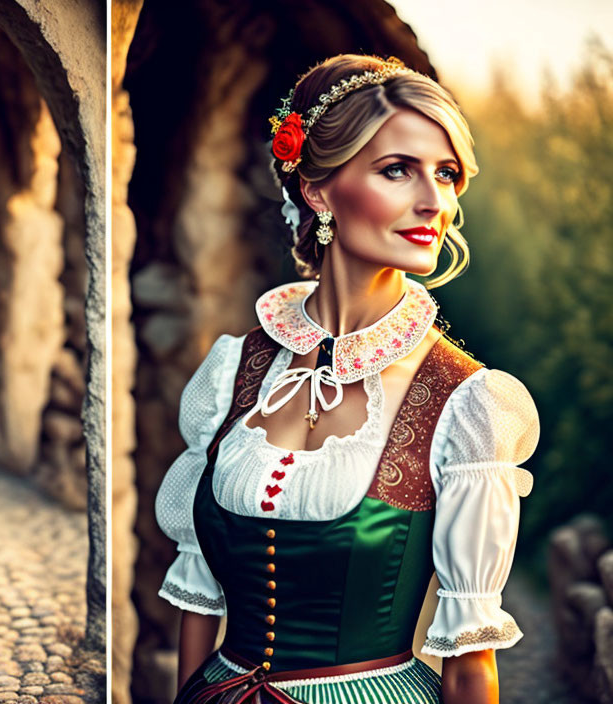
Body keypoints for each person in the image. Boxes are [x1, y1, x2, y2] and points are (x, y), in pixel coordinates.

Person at [155, 55, 540, 704]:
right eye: (398, 170)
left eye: (446, 175)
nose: (435, 202)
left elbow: (471, 660)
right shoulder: (232, 370)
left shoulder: (467, 400)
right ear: (318, 190)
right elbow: (199, 602)